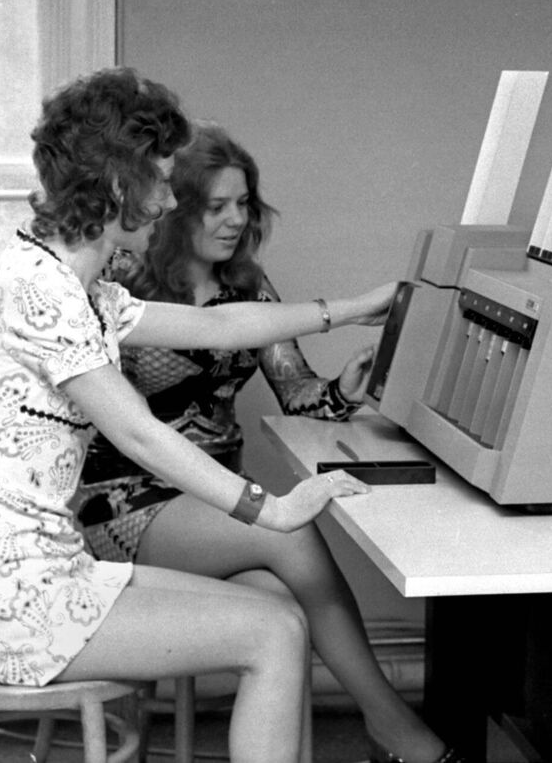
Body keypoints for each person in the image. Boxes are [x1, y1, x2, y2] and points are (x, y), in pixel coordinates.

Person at [0, 67, 398, 763]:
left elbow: (223, 326)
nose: (163, 198)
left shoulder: (77, 284)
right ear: (116, 182)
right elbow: (136, 431)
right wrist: (269, 510)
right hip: (14, 606)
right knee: (272, 634)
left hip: (50, 573)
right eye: (156, 177)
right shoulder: (44, 292)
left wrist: (355, 308)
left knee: (282, 618)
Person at [75, 124, 461, 763]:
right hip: (124, 504)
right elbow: (125, 423)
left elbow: (298, 390)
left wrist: (344, 388)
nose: (234, 220)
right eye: (216, 205)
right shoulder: (126, 285)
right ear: (178, 208)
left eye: (244, 204)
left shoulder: (250, 288)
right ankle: (395, 727)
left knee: (285, 604)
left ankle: (365, 735)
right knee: (291, 531)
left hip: (215, 509)